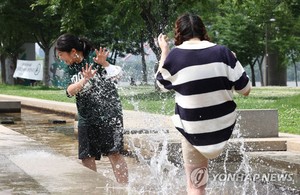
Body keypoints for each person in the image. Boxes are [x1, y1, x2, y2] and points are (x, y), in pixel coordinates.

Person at [156, 13, 251, 194]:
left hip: (193, 131)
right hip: (222, 128)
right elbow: (245, 90)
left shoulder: (175, 56)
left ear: (179, 33)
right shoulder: (223, 52)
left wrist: (164, 52)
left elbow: (161, 84)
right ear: (203, 30)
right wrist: (233, 59)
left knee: (196, 185)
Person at [54, 33, 128, 184]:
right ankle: (93, 190)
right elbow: (69, 91)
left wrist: (105, 64)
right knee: (86, 157)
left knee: (114, 154)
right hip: (86, 118)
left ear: (73, 51)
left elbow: (119, 76)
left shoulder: (95, 58)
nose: (61, 58)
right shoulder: (70, 67)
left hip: (109, 115)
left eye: (61, 54)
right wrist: (84, 80)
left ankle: (124, 189)